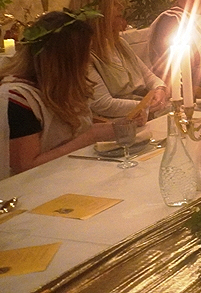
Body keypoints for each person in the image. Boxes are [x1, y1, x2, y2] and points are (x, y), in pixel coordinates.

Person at [1, 11, 118, 178]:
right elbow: (26, 167)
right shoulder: (18, 98)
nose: (89, 60)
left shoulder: (60, 88)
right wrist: (90, 137)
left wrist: (118, 126)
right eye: (86, 53)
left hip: (68, 175)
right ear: (66, 60)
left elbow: (73, 130)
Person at [67, 0, 168, 120]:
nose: (121, 7)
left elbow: (148, 76)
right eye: (114, 4)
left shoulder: (119, 44)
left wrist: (160, 89)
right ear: (97, 12)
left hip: (143, 112)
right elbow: (103, 104)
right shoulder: (83, 55)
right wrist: (145, 105)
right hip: (120, 122)